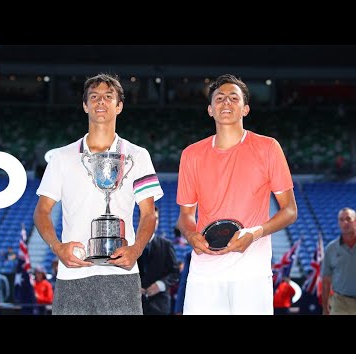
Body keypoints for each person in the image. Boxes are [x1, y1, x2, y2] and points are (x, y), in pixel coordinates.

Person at [34, 73, 164, 315]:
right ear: (85, 105)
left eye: (108, 96)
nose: (101, 102)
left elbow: (149, 214)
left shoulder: (138, 155)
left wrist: (136, 250)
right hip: (73, 273)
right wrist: (57, 247)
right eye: (94, 97)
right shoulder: (62, 157)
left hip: (120, 274)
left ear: (119, 106)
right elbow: (42, 210)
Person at [176, 74, 297, 315]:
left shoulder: (268, 148)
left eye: (234, 98)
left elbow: (290, 210)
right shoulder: (191, 154)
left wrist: (255, 232)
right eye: (219, 98)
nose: (226, 102)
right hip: (205, 271)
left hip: (252, 269)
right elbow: (185, 216)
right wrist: (191, 235)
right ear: (210, 109)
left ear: (246, 109)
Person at [137, 206, 180, 315]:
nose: (152, 222)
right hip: (135, 305)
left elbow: (175, 273)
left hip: (160, 306)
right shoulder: (130, 245)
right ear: (139, 220)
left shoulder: (166, 245)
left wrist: (160, 285)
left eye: (155, 218)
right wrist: (134, 287)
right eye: (148, 218)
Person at [321, 207, 356, 315]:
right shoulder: (331, 249)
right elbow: (326, 281)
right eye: (341, 219)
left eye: (348, 219)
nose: (345, 222)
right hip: (340, 303)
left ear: (355, 221)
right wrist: (325, 307)